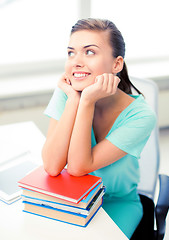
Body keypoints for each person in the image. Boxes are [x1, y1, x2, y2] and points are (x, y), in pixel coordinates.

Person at [42, 18, 156, 239]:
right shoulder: (67, 93)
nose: (76, 61)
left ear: (117, 64)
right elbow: (52, 165)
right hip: (73, 199)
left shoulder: (141, 115)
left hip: (115, 204)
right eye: (71, 53)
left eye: (90, 52)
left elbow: (78, 167)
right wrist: (74, 101)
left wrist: (86, 102)